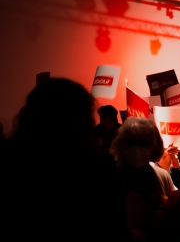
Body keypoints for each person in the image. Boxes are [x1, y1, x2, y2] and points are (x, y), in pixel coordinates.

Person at [2, 78, 128, 241]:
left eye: (104, 117)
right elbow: (113, 230)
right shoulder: (100, 171)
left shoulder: (10, 161)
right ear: (82, 118)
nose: (100, 120)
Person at [111, 116, 176, 241]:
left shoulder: (162, 176)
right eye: (130, 142)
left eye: (143, 142)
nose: (137, 148)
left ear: (154, 146)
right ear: (122, 145)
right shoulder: (108, 177)